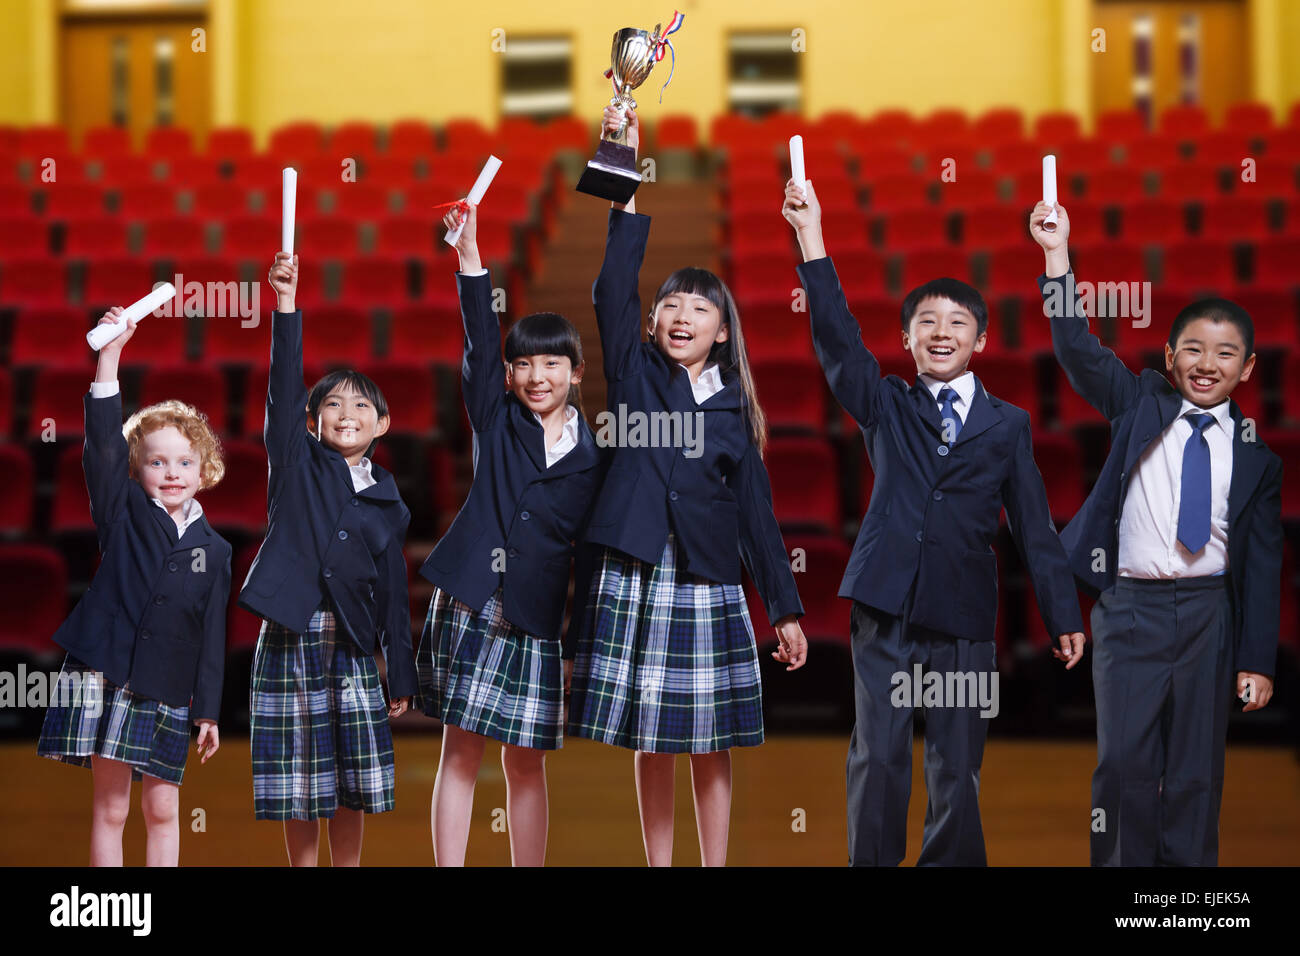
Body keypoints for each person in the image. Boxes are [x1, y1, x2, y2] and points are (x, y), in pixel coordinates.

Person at [784, 177, 1085, 866]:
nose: (941, 331)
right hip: (885, 605)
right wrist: (812, 236)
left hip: (964, 614)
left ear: (979, 339)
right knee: (881, 757)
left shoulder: (1009, 426)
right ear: (907, 338)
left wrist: (1062, 613)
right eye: (927, 322)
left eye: (957, 323)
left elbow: (1034, 529)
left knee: (957, 766)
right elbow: (836, 338)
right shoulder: (885, 402)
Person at [568, 105, 809, 868]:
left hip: (707, 578)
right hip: (637, 569)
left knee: (710, 738)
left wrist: (787, 610)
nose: (680, 314)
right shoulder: (637, 374)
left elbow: (758, 520)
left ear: (723, 330)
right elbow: (613, 287)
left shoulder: (738, 414)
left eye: (698, 307)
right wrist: (622, 165)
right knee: (654, 735)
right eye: (670, 303)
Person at [1030, 199, 1282, 866]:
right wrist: (1057, 256)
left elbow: (1261, 566)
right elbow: (1077, 349)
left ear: (1248, 368)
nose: (1208, 363)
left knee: (1197, 772)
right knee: (1122, 766)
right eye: (1193, 349)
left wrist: (1257, 659)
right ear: (1170, 357)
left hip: (1208, 616)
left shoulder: (1259, 457)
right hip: (1131, 609)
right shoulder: (1138, 401)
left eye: (1226, 353)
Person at [415, 202, 605, 866]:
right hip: (471, 598)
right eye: (523, 364)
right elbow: (476, 334)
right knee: (460, 749)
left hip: (535, 615)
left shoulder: (594, 459)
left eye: (552, 365)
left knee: (527, 762)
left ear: (576, 374)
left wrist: (579, 641)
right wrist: (470, 256)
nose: (536, 376)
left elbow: (588, 552)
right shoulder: (495, 420)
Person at [240, 251, 416, 866]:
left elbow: (393, 589)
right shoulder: (294, 465)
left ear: (384, 423)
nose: (347, 414)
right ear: (313, 423)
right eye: (333, 405)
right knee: (299, 783)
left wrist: (400, 664)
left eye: (362, 405)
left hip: (352, 648)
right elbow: (282, 390)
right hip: (293, 636)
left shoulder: (387, 498)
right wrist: (286, 305)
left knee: (349, 784)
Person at [38, 307, 229, 866]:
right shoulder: (120, 512)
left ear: (204, 469)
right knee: (112, 808)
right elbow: (100, 444)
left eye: (184, 461)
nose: (171, 472)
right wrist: (110, 356)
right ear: (136, 469)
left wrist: (209, 711)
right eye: (156, 462)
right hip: (106, 672)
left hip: (166, 687)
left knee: (165, 810)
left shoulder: (216, 550)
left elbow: (212, 635)